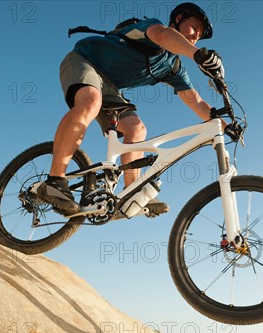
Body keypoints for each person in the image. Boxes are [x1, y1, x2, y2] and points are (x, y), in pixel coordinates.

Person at [38, 2, 225, 216]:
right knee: (91, 101)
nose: (196, 36)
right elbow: (164, 37)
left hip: (108, 85)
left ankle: (131, 192)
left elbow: (196, 101)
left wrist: (222, 124)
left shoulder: (173, 67)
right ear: (179, 19)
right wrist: (198, 54)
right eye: (194, 27)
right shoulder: (154, 28)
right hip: (84, 60)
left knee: (136, 129)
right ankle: (54, 181)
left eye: (200, 34)